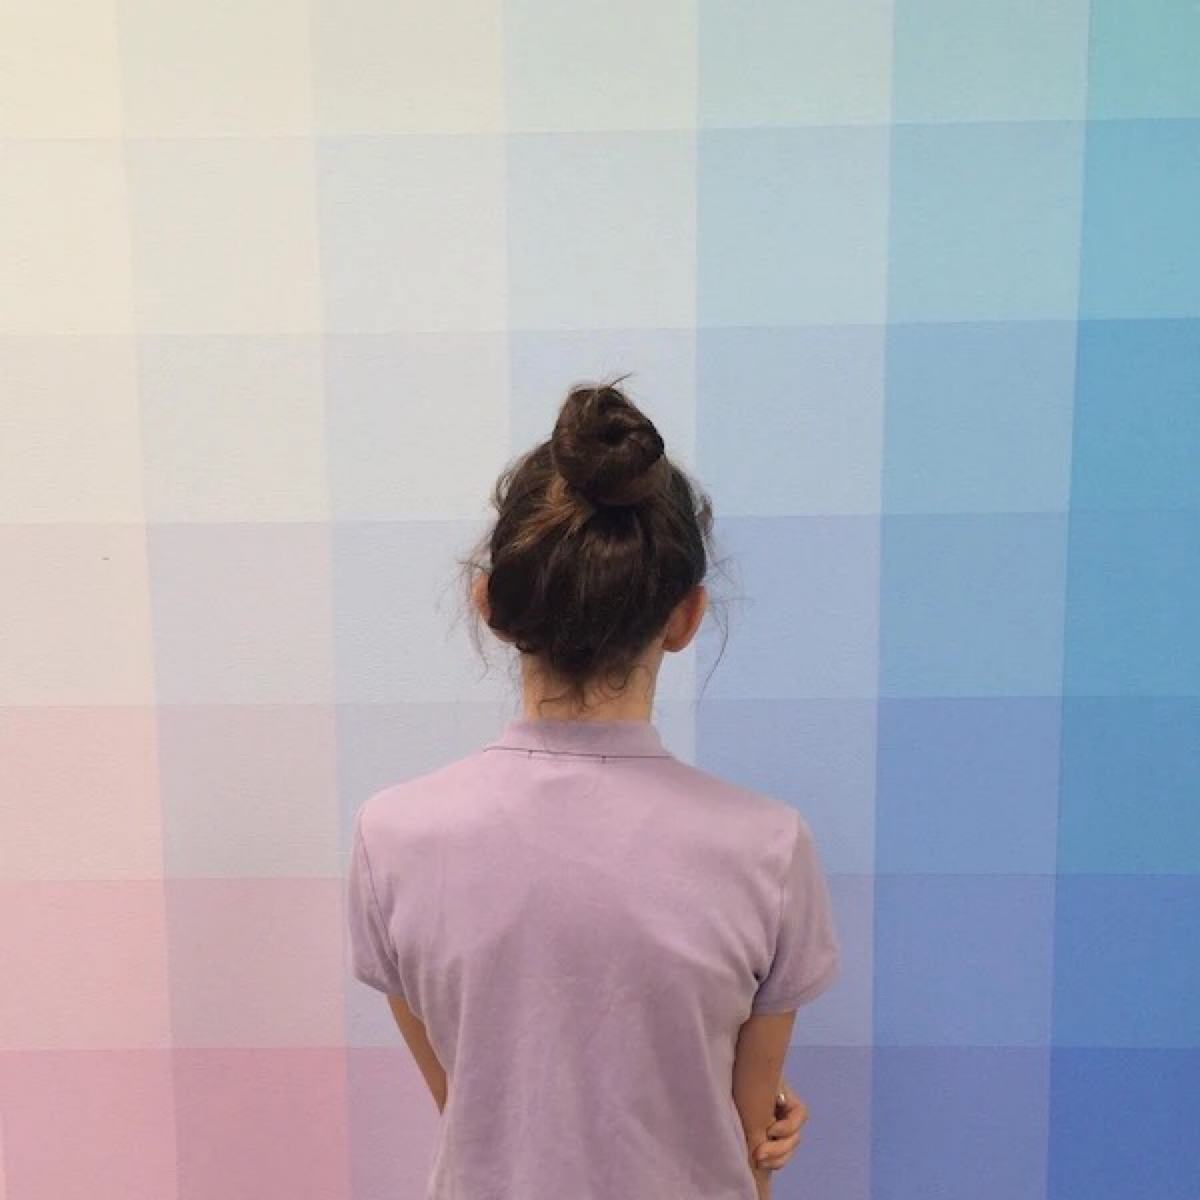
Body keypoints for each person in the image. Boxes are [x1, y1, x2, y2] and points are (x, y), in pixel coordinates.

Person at [346, 381, 842, 1198]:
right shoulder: (770, 846)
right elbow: (751, 1147)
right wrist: (725, 1109)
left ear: (490, 604)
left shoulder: (391, 836)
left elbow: (472, 1106)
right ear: (685, 618)